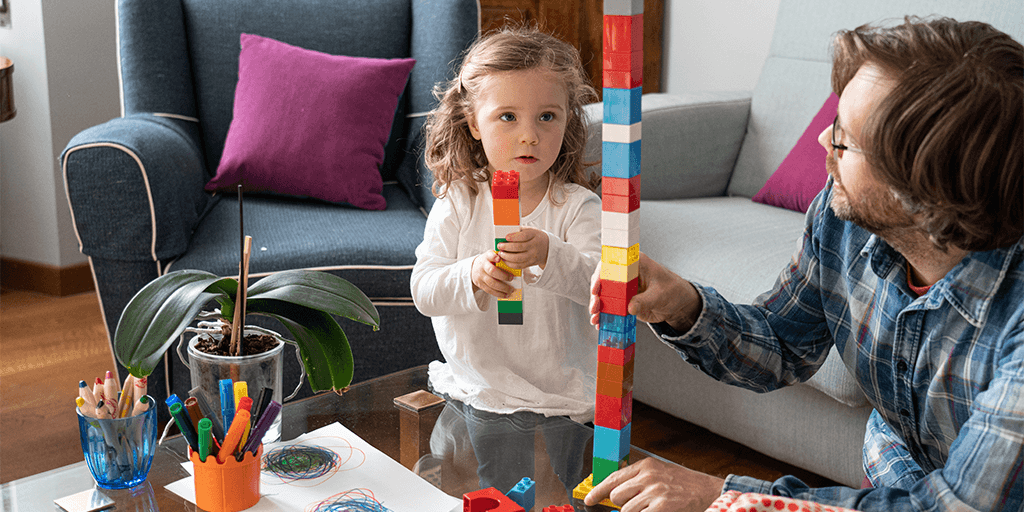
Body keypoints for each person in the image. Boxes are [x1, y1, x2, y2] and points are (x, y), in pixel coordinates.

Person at [585, 16, 1023, 512]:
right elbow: (780, 343)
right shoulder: (843, 220)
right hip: (886, 481)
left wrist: (726, 496)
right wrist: (680, 303)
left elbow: (958, 507)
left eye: (845, 140)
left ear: (929, 188)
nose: (821, 143)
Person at [411, 25, 602, 497]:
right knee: (491, 495)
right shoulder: (459, 202)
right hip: (480, 388)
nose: (529, 136)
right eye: (508, 117)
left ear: (567, 122)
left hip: (562, 396)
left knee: (562, 496)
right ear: (474, 123)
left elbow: (597, 285)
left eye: (547, 117)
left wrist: (549, 254)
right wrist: (471, 274)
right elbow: (425, 290)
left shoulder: (577, 207)